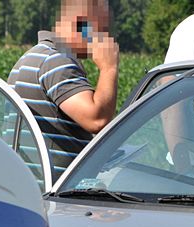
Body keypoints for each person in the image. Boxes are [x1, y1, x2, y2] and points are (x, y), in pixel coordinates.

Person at [7, 0, 119, 180]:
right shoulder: (57, 62)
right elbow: (97, 119)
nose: (108, 39)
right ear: (83, 26)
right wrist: (109, 68)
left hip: (30, 185)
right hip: (53, 197)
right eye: (103, 30)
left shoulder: (32, 56)